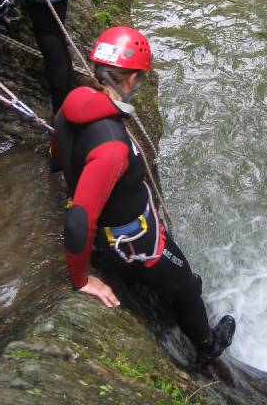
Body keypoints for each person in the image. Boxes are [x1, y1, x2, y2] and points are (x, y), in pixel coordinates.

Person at [54, 26, 236, 364]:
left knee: (179, 276)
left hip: (118, 229)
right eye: (140, 78)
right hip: (130, 244)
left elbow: (57, 149)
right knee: (188, 285)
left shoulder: (74, 101)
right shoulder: (111, 146)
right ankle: (207, 347)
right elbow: (79, 221)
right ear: (131, 78)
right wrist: (81, 280)